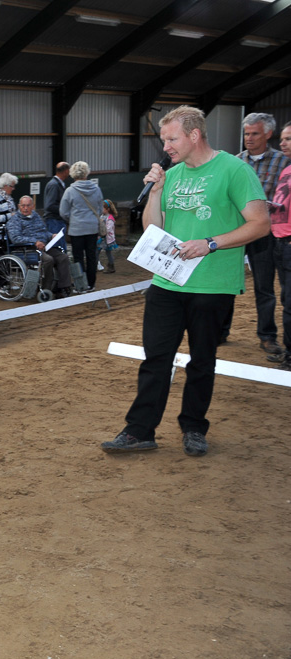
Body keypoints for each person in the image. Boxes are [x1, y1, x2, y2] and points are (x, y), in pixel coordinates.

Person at [101, 105, 269, 457]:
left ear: (194, 135)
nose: (166, 147)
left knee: (202, 360)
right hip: (166, 284)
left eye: (172, 139)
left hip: (213, 284)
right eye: (164, 140)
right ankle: (139, 430)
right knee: (155, 359)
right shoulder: (173, 175)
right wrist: (158, 190)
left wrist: (210, 244)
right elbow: (152, 228)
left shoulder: (234, 170)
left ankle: (194, 427)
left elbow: (259, 223)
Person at [237, 112, 289, 359]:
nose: (249, 138)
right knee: (226, 283)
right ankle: (220, 331)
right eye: (246, 133)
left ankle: (267, 336)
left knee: (264, 287)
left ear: (268, 134)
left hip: (264, 234)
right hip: (234, 231)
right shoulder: (235, 162)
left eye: (254, 133)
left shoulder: (283, 162)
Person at [5, 195, 72, 296]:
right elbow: (16, 238)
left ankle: (63, 286)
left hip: (44, 246)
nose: (25, 208)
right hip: (28, 249)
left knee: (63, 257)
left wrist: (51, 235)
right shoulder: (14, 220)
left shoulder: (36, 216)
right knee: (48, 259)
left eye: (28, 205)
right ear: (19, 206)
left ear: (33, 206)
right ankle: (46, 288)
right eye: (23, 206)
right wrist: (35, 242)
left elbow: (43, 232)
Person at [60, 161, 104, 292]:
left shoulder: (70, 191)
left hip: (76, 229)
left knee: (78, 257)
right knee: (91, 256)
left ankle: (81, 285)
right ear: (87, 173)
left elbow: (63, 212)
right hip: (92, 228)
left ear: (73, 174)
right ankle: (91, 284)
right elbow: (100, 209)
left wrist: (73, 219)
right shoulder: (96, 189)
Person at [268, 120, 291, 370]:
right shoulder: (286, 170)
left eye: (288, 139)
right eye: (282, 138)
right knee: (287, 301)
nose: (282, 143)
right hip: (280, 242)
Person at [44, 162, 70, 241]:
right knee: (58, 248)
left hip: (57, 221)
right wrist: (64, 209)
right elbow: (50, 206)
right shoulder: (54, 185)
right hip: (54, 221)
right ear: (66, 171)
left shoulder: (57, 184)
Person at [98, 199, 119, 274]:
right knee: (97, 251)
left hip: (107, 239)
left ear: (108, 209)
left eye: (103, 208)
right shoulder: (102, 216)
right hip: (102, 238)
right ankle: (97, 265)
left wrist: (101, 232)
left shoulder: (110, 219)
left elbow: (108, 229)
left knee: (108, 252)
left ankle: (111, 266)